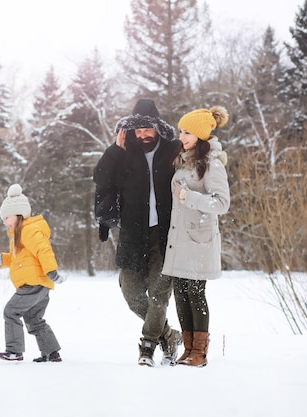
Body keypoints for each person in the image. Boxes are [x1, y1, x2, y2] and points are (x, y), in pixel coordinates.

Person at [93, 99, 182, 367]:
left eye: (148, 129)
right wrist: (115, 150)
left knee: (159, 294)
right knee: (131, 293)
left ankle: (147, 346)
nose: (143, 135)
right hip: (133, 234)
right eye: (138, 130)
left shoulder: (172, 150)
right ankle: (169, 335)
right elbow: (101, 179)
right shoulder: (123, 153)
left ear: (157, 128)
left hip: (167, 234)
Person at [161, 106, 230, 367]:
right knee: (180, 292)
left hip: (199, 240)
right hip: (180, 239)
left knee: (195, 292)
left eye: (187, 132)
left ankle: (199, 352)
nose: (182, 136)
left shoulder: (211, 164)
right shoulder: (183, 160)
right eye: (181, 131)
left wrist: (187, 196)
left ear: (200, 134)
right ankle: (188, 350)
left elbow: (222, 203)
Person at [0, 184, 66, 362]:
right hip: (39, 285)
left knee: (10, 311)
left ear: (18, 214)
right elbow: (14, 259)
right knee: (34, 319)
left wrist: (51, 270)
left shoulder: (28, 230)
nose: (4, 222)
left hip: (33, 284)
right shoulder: (19, 235)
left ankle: (14, 351)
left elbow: (44, 250)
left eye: (7, 217)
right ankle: (51, 353)